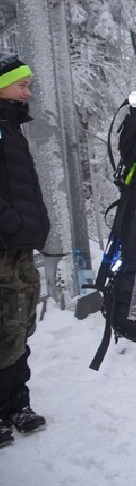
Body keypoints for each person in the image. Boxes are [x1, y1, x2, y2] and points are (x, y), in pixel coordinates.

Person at [0, 54, 50, 448]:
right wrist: (13, 222)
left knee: (20, 325)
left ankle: (18, 403)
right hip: (4, 244)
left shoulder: (10, 128)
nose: (27, 92)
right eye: (21, 85)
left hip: (18, 246)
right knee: (4, 327)